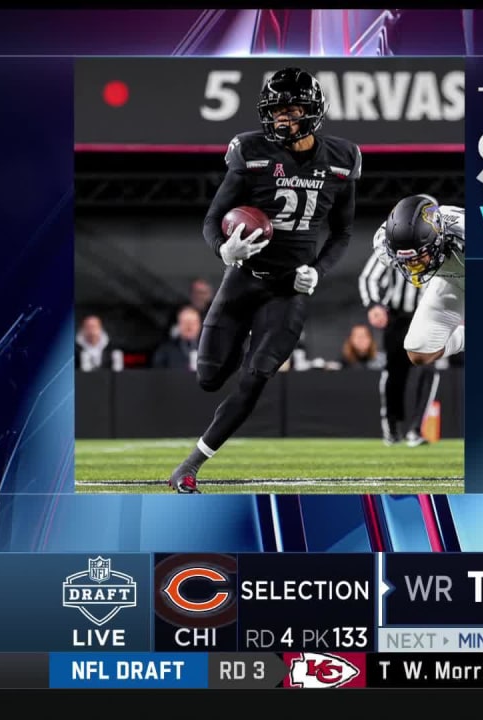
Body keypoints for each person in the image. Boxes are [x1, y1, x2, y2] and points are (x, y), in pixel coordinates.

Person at [167, 67, 363, 494]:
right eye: (275, 111)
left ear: (312, 112)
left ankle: (191, 466)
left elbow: (343, 232)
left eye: (291, 110)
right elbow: (213, 219)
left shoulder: (342, 160)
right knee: (209, 377)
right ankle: (238, 346)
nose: (280, 120)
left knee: (256, 377)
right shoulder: (251, 151)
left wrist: (319, 269)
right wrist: (223, 249)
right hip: (243, 279)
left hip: (288, 289)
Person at [358, 208, 444, 446]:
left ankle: (416, 430)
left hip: (429, 316)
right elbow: (369, 277)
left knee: (428, 370)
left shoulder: (443, 243)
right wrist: (374, 304)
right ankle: (392, 425)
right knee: (395, 373)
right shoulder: (391, 244)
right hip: (397, 317)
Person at [375, 194, 465, 368]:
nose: (412, 264)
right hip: (451, 280)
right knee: (419, 353)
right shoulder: (384, 244)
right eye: (406, 260)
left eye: (419, 256)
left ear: (439, 240)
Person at [152, 306, 201, 370]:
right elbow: (157, 373)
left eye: (193, 323)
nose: (189, 327)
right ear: (178, 325)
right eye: (185, 322)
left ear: (199, 325)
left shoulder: (210, 349)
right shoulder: (165, 350)